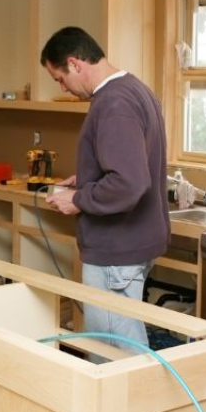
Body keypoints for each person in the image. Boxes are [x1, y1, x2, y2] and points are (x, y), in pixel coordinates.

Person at [40, 26, 168, 353]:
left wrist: (79, 199)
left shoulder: (114, 103)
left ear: (75, 63)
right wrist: (84, 180)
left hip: (116, 248)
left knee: (115, 353)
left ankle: (138, 406)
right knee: (120, 344)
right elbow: (127, 166)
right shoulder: (133, 89)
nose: (63, 88)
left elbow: (129, 182)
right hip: (132, 241)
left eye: (59, 78)